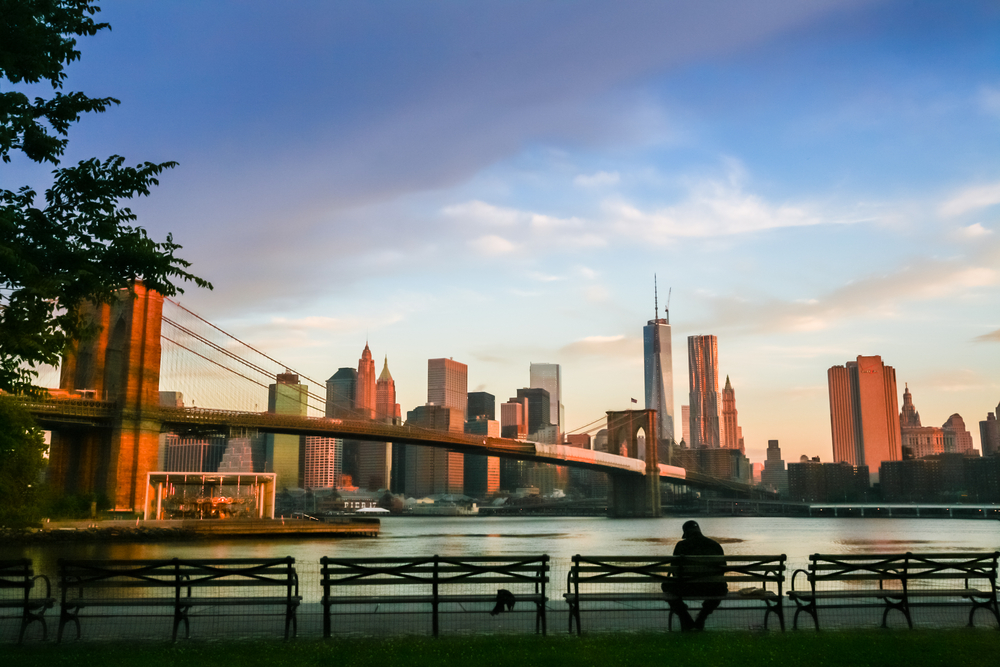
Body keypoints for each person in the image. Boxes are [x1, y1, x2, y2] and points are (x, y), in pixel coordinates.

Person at [661, 520, 727, 631]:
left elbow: (674, 569)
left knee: (666, 586)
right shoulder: (715, 545)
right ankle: (702, 616)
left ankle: (684, 616)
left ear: (686, 533)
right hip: (711, 588)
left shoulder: (681, 545)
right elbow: (722, 569)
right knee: (722, 588)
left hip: (686, 588)